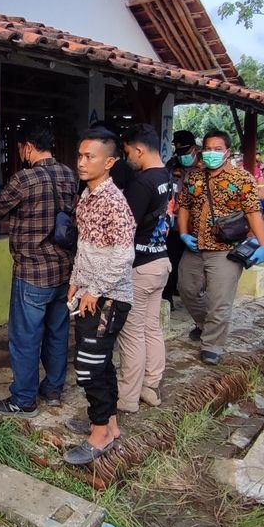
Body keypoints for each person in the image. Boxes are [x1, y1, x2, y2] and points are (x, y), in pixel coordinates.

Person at [0, 120, 78, 417]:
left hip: (32, 273)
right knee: (57, 333)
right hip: (64, 271)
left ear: (28, 147)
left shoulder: (23, 179)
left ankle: (23, 400)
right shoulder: (69, 174)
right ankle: (52, 389)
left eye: (21, 148)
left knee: (25, 338)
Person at [63, 128, 134, 466]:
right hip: (90, 292)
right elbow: (86, 246)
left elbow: (123, 256)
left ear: (109, 162)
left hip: (109, 297)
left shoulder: (114, 202)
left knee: (89, 367)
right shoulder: (87, 196)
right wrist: (77, 282)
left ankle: (100, 434)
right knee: (100, 362)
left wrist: (95, 290)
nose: (81, 161)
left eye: (89, 156)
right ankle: (108, 423)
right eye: (79, 155)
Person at [177, 130, 264, 365]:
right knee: (186, 289)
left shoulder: (242, 178)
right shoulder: (193, 177)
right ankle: (204, 324)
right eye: (207, 148)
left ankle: (212, 345)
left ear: (227, 152)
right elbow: (184, 206)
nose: (211, 153)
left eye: (217, 149)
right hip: (196, 246)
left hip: (226, 249)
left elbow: (253, 212)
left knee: (220, 300)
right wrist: (183, 233)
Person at [115, 123, 173, 412]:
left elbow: (126, 226)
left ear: (139, 149)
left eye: (128, 152)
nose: (128, 158)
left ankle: (126, 398)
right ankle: (151, 386)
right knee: (152, 328)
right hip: (160, 261)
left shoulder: (141, 182)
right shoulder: (166, 176)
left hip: (140, 266)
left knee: (132, 332)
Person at [162, 131, 199, 307]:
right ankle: (168, 297)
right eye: (178, 151)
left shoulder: (205, 166)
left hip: (197, 226)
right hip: (175, 225)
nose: (181, 155)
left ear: (194, 148)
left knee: (194, 269)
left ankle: (194, 298)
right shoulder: (172, 164)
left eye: (185, 151)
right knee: (172, 260)